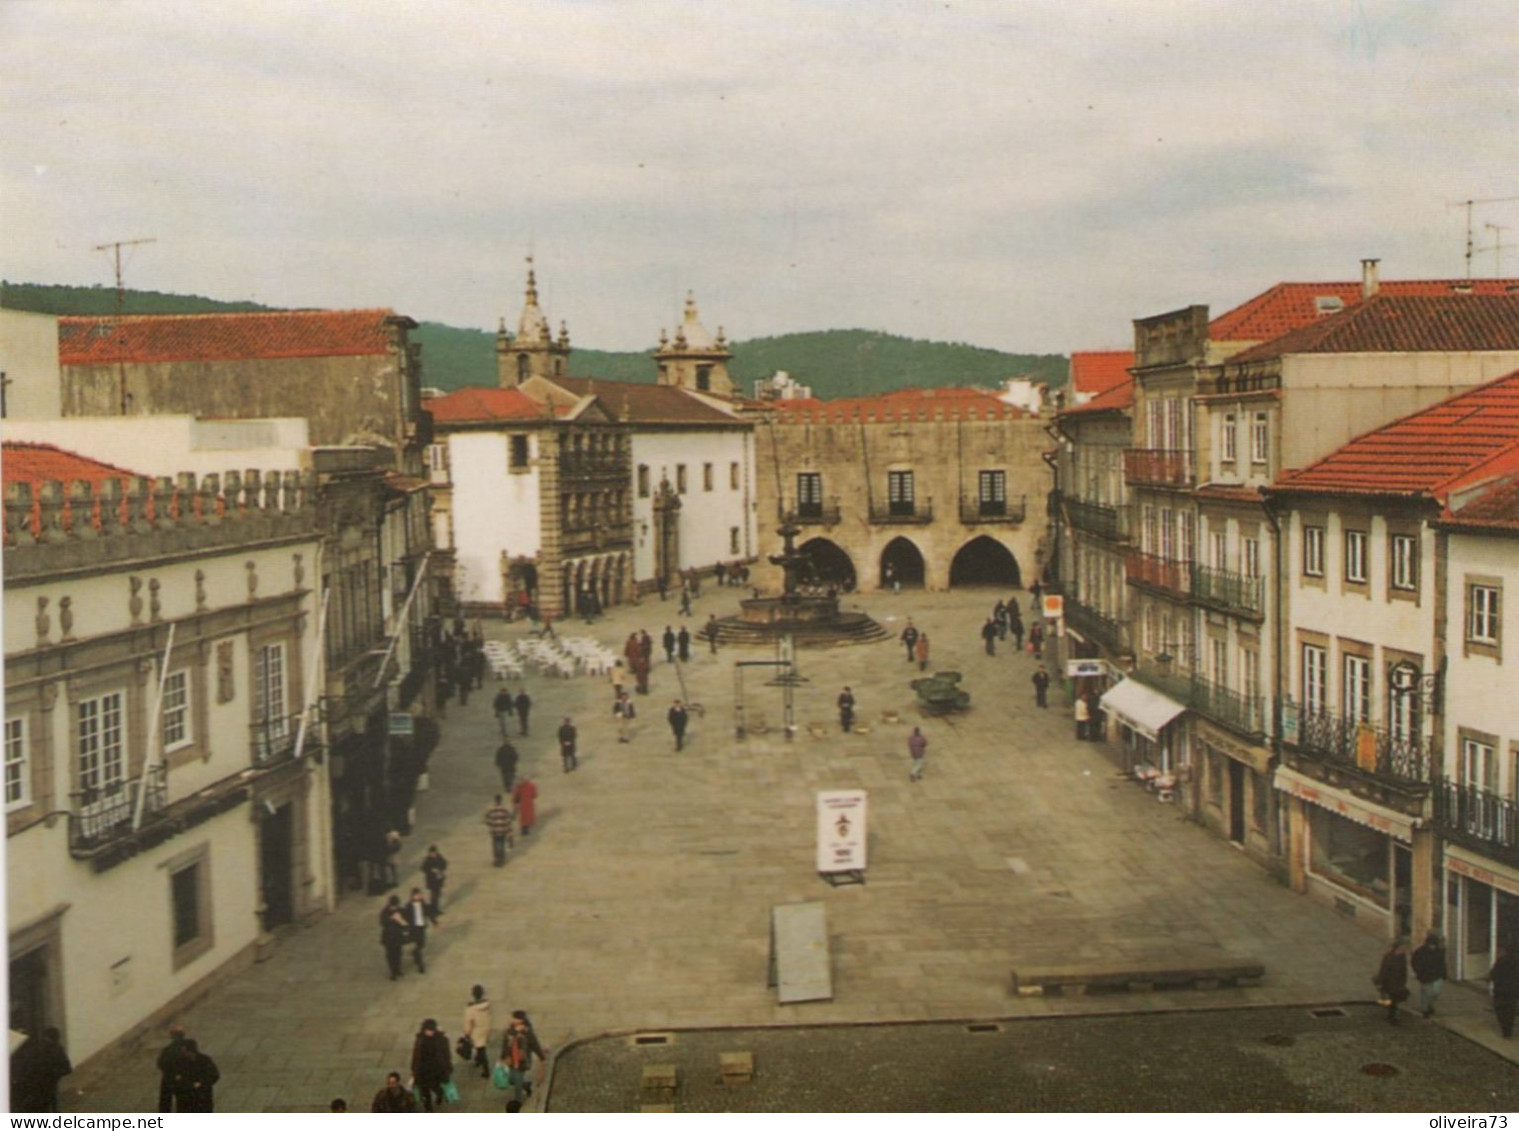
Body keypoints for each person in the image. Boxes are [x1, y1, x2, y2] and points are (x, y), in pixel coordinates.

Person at [10, 1027, 72, 1113]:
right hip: (44, 1084)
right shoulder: (52, 1049)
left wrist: (50, 1075)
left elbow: (65, 1068)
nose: (43, 1039)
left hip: (44, 1084)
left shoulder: (49, 1050)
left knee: (46, 1103)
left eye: (45, 1037)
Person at [498, 1010, 547, 1114]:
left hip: (521, 1063)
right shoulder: (509, 1031)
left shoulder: (527, 1033)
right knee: (511, 1080)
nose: (511, 1020)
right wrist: (502, 1057)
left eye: (514, 1018)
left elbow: (535, 1045)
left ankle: (517, 1106)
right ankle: (526, 1085)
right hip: (510, 1061)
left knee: (517, 1086)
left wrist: (542, 1058)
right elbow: (504, 1045)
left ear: (520, 1021)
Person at [168, 1038, 220, 1113]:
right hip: (185, 1100)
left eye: (184, 1051)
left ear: (191, 1051)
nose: (182, 1053)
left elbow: (214, 1075)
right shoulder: (179, 1062)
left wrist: (201, 1083)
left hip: (202, 1099)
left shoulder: (204, 1061)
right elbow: (174, 1077)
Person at [411, 1019, 452, 1113]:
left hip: (435, 1069)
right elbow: (416, 1054)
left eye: (431, 1030)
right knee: (424, 1090)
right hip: (422, 1069)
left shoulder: (441, 1040)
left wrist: (447, 1067)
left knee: (435, 1086)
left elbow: (446, 1055)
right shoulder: (420, 1039)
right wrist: (413, 1068)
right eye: (428, 1030)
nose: (430, 1032)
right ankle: (428, 1108)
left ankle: (440, 1093)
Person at [1411, 931, 1448, 1018]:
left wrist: (1444, 973)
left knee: (1436, 992)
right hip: (1425, 976)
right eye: (1432, 945)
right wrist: (1419, 972)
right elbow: (1414, 962)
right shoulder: (1420, 952)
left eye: (1434, 945)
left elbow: (1442, 963)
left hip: (1436, 975)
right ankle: (1425, 1010)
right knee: (1426, 993)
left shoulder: (1439, 951)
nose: (1433, 947)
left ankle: (1429, 1004)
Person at [1374, 938, 1410, 1025]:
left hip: (1399, 981)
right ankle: (1391, 1016)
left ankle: (1392, 1014)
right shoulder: (1388, 957)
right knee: (1393, 999)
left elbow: (1404, 970)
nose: (1405, 949)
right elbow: (1383, 970)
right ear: (1398, 947)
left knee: (1397, 998)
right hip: (1389, 981)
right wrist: (1381, 982)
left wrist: (1403, 981)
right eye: (1403, 947)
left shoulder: (1402, 957)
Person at [157, 1024, 189, 1112]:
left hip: (169, 1076)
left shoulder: (168, 1050)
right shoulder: (189, 1046)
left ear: (172, 1036)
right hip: (184, 1076)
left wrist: (169, 1071)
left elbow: (160, 1063)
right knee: (183, 1099)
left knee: (166, 1099)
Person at [464, 986, 493, 1079]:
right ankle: (478, 1060)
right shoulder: (487, 1004)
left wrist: (467, 1033)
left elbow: (469, 1022)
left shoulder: (470, 1009)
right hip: (485, 1027)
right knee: (480, 1047)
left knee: (481, 1050)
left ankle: (486, 1070)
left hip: (476, 1030)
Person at [405, 887, 436, 973]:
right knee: (418, 945)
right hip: (414, 928)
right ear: (413, 896)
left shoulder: (423, 904)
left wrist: (434, 922)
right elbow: (406, 917)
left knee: (422, 944)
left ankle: (415, 953)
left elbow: (428, 912)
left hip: (421, 927)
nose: (419, 896)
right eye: (417, 895)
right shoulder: (409, 906)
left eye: (419, 894)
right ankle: (420, 965)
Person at [1491, 944, 1519, 1039]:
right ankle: (1508, 1030)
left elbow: (1493, 974)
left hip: (1501, 990)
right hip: (1512, 990)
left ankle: (1505, 1030)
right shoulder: (1515, 962)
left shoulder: (1500, 962)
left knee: (1500, 1010)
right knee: (1510, 1010)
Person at [380, 896, 409, 978]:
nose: (394, 907)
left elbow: (405, 922)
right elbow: (383, 922)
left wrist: (401, 921)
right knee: (390, 955)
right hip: (389, 936)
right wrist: (391, 918)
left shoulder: (401, 910)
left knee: (398, 953)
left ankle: (398, 969)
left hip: (398, 935)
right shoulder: (385, 911)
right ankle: (393, 971)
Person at [486, 794, 515, 866]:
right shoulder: (505, 809)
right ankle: (501, 858)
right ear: (501, 800)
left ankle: (497, 858)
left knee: (495, 844)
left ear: (495, 800)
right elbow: (508, 820)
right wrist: (509, 831)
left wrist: (492, 824)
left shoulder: (491, 810)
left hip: (494, 830)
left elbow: (487, 820)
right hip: (503, 830)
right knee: (501, 844)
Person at [422, 844, 448, 915]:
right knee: (433, 896)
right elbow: (423, 868)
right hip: (432, 880)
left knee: (438, 894)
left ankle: (436, 908)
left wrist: (440, 869)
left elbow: (445, 863)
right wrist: (431, 870)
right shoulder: (427, 860)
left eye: (434, 853)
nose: (433, 854)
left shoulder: (439, 857)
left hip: (439, 879)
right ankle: (433, 910)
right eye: (432, 853)